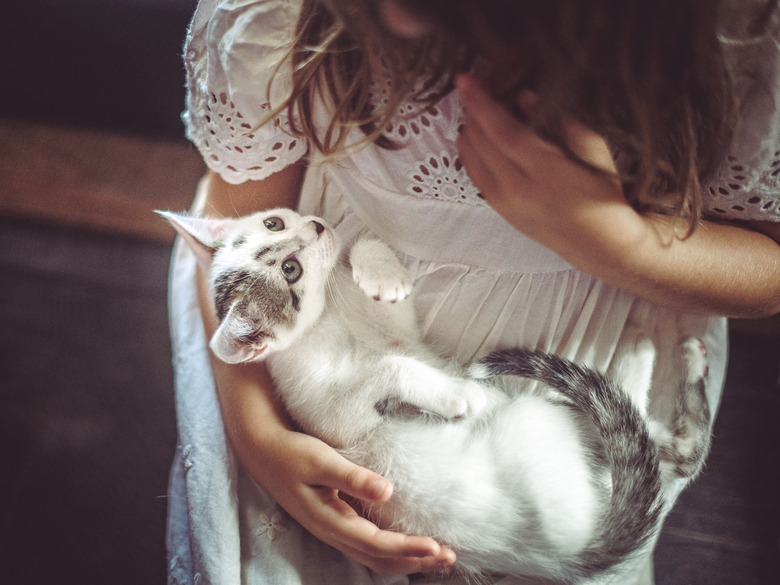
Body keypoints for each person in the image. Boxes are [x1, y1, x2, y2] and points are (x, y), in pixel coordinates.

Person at [165, 1, 780, 584]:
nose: (399, 16)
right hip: (340, 436)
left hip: (584, 352)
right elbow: (240, 206)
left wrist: (624, 247)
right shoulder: (287, 20)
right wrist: (259, 437)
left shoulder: (744, 39)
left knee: (568, 515)